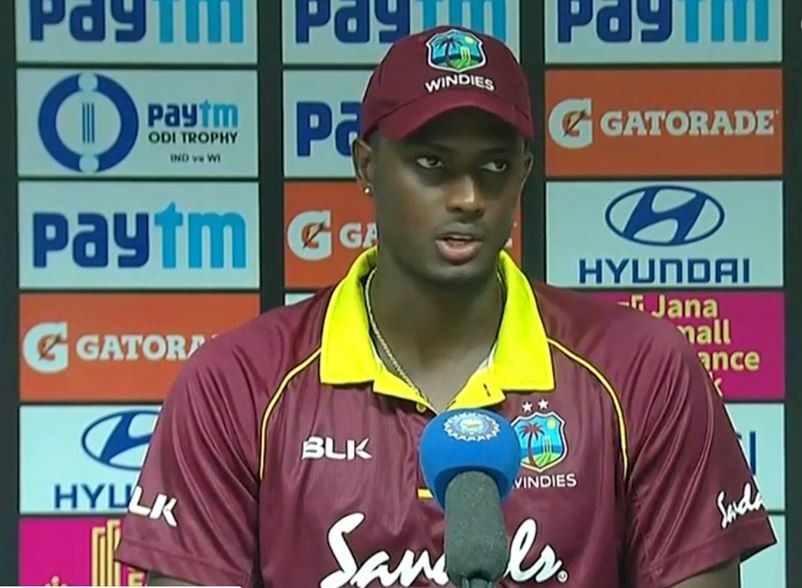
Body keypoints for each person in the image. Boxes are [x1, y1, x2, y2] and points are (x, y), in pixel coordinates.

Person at [114, 25, 777, 588]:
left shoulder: (644, 371)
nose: (467, 197)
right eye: (432, 163)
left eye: (494, 166)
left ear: (525, 171)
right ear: (367, 166)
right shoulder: (236, 385)